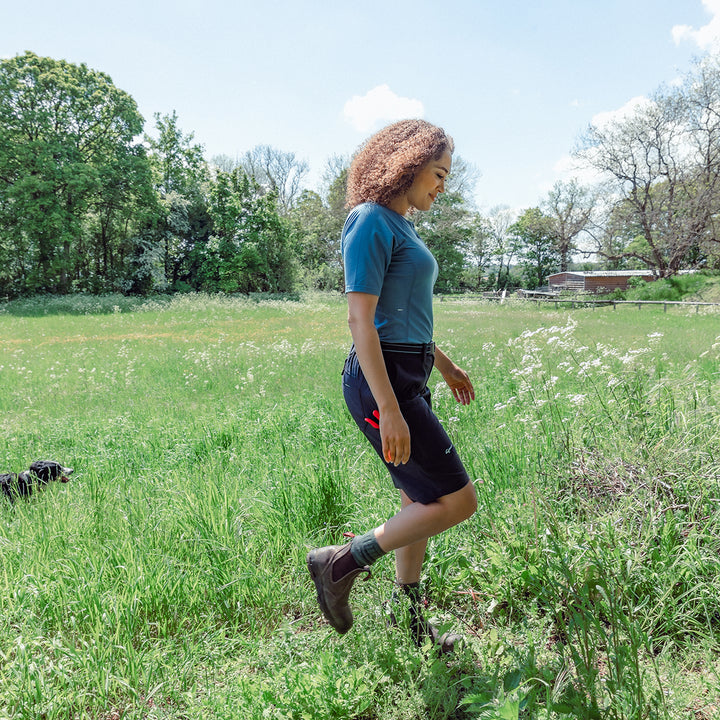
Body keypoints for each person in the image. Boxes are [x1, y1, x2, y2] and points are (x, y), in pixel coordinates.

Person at [306, 119, 477, 652]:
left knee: (417, 499)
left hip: (409, 373)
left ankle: (408, 624)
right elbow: (362, 322)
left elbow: (403, 317)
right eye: (439, 173)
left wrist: (442, 364)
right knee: (457, 500)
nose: (443, 186)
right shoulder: (370, 221)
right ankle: (340, 562)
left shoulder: (402, 227)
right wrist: (390, 405)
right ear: (407, 163)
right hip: (384, 384)